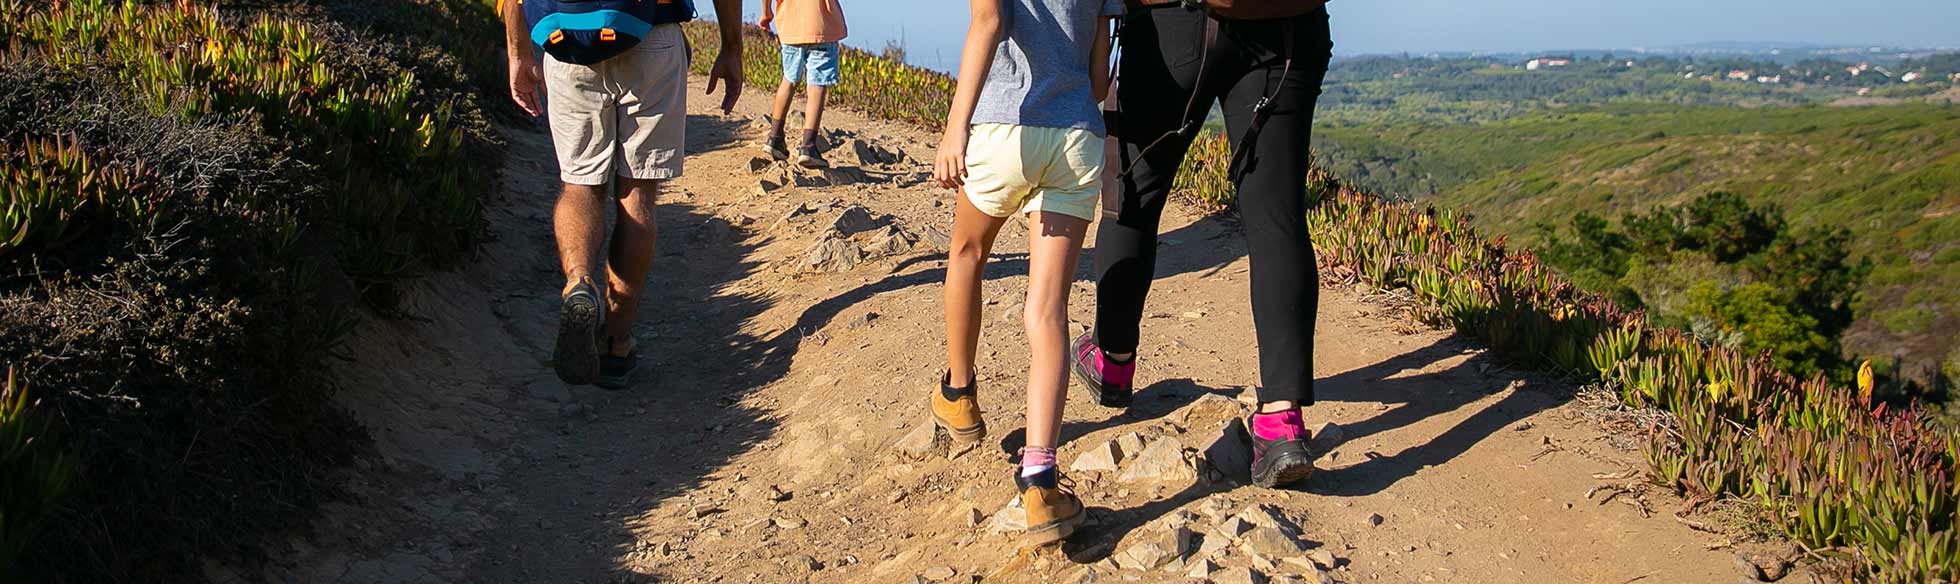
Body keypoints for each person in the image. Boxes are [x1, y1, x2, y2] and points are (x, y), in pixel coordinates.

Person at [1070, 0, 1334, 488]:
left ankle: (1113, 360)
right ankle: (1282, 420)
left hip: (1173, 25)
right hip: (1288, 29)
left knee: (1133, 192)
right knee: (1277, 216)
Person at [931, 0, 1121, 547]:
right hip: (1076, 138)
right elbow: (1097, 75)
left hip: (1005, 127)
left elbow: (988, 20)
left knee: (967, 252)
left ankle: (960, 393)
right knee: (1048, 310)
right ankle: (1039, 481)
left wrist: (954, 127)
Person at [501, 0, 745, 389]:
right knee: (637, 195)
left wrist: (518, 52)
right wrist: (732, 47)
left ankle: (579, 283)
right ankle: (616, 342)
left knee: (580, 185)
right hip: (652, 36)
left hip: (567, 43)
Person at [759, 0, 848, 168]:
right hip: (822, 26)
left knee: (789, 79)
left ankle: (774, 138)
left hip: (790, 26)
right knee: (817, 84)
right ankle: (808, 147)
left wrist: (766, 12)